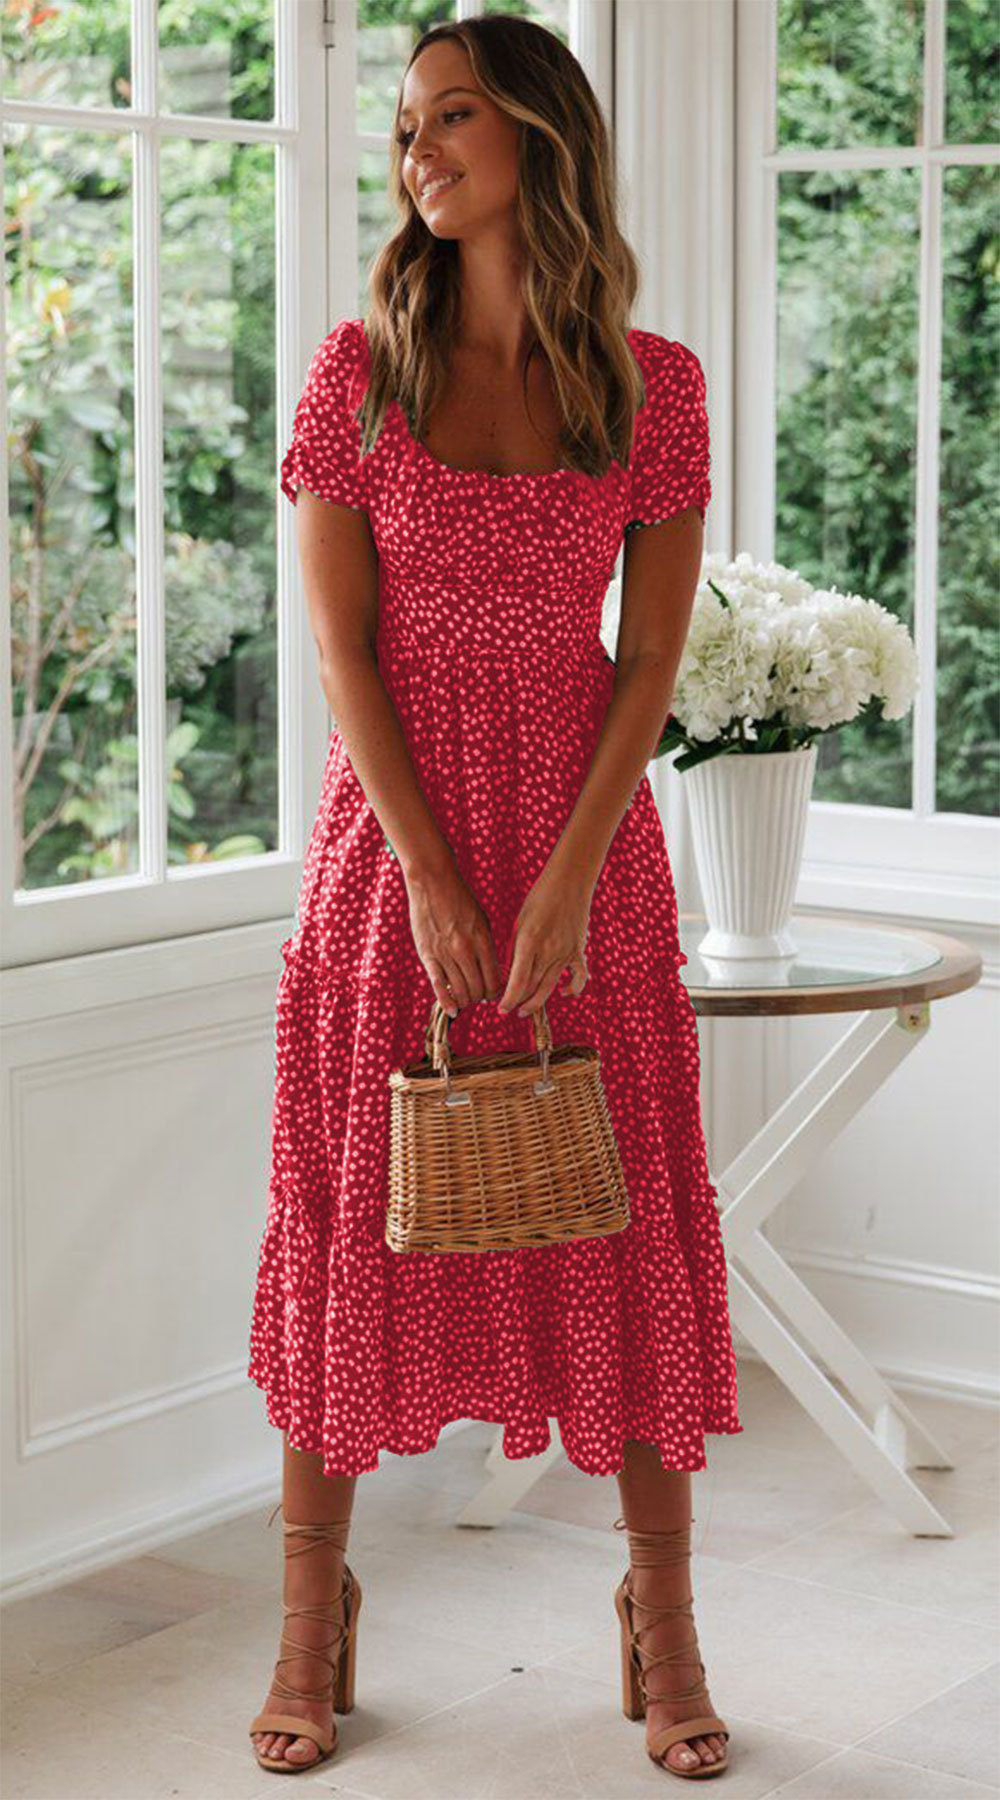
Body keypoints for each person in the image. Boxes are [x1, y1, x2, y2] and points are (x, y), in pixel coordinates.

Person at [248, 12, 741, 1783]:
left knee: (624, 1217)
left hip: (583, 850)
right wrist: (437, 879)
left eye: (452, 116)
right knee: (353, 1215)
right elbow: (341, 650)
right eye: (406, 125)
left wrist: (573, 873)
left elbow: (651, 659)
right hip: (395, 852)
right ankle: (311, 1619)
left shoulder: (652, 386)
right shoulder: (356, 375)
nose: (418, 151)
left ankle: (662, 1626)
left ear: (541, 135)